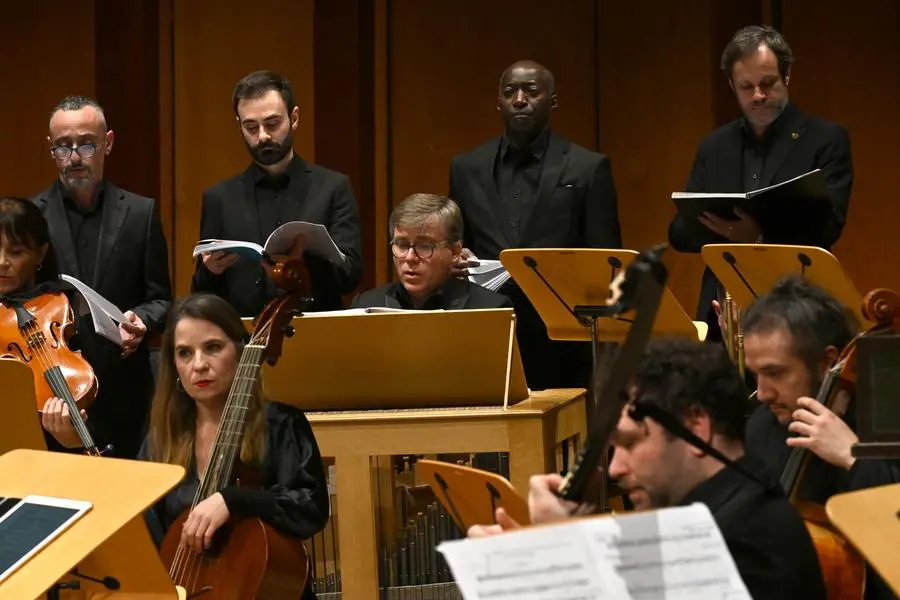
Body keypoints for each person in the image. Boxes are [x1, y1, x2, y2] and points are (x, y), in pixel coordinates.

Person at [469, 338, 827, 600]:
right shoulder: (715, 512)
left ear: (694, 428)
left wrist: (559, 555)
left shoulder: (748, 536)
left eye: (629, 443)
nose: (615, 469)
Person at [138, 293, 329, 600]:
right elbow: (145, 536)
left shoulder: (281, 424)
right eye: (184, 354)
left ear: (241, 353)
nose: (198, 365)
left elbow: (310, 509)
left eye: (212, 347)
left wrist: (235, 500)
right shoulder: (162, 440)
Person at [667, 26, 853, 339]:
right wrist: (722, 227)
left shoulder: (825, 140)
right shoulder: (714, 146)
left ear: (787, 76)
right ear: (731, 85)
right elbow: (679, 233)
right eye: (746, 86)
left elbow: (829, 227)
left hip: (796, 309)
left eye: (767, 83)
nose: (758, 95)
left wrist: (758, 235)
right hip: (722, 310)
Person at [449, 59, 622, 391]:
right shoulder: (466, 167)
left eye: (530, 91)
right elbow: (457, 243)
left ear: (552, 102)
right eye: (509, 91)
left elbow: (607, 260)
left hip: (562, 333)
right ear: (498, 101)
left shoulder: (588, 167)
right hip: (488, 327)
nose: (518, 99)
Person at [741, 275, 900, 600]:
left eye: (775, 373)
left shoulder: (887, 422)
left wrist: (851, 457)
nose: (762, 393)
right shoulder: (762, 425)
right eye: (755, 374)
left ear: (829, 362)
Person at [33, 95, 172, 459]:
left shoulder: (142, 213)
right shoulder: (30, 217)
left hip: (125, 394)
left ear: (107, 143)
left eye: (86, 144)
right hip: (53, 394)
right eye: (63, 146)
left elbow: (162, 299)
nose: (75, 157)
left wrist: (142, 320)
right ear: (51, 149)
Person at [192, 70, 363, 317]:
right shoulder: (219, 198)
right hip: (245, 338)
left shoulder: (333, 187)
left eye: (272, 123)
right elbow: (202, 296)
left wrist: (307, 264)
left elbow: (351, 276)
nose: (262, 136)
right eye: (251, 127)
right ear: (239, 126)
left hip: (317, 332)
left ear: (294, 118)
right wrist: (210, 272)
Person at [0, 196, 109, 451]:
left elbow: (103, 416)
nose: (2, 261)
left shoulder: (62, 305)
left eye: (16, 252)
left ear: (40, 253)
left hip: (48, 457)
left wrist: (72, 438)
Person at [352, 193, 511, 310]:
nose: (410, 257)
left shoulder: (491, 308)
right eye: (401, 244)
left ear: (455, 252)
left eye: (425, 246)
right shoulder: (366, 305)